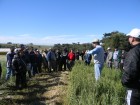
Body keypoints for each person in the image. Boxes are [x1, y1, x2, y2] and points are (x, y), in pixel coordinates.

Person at [121, 28, 140, 105]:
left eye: (129, 37)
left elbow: (130, 71)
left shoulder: (133, 52)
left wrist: (124, 81)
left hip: (134, 88)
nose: (128, 38)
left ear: (133, 38)